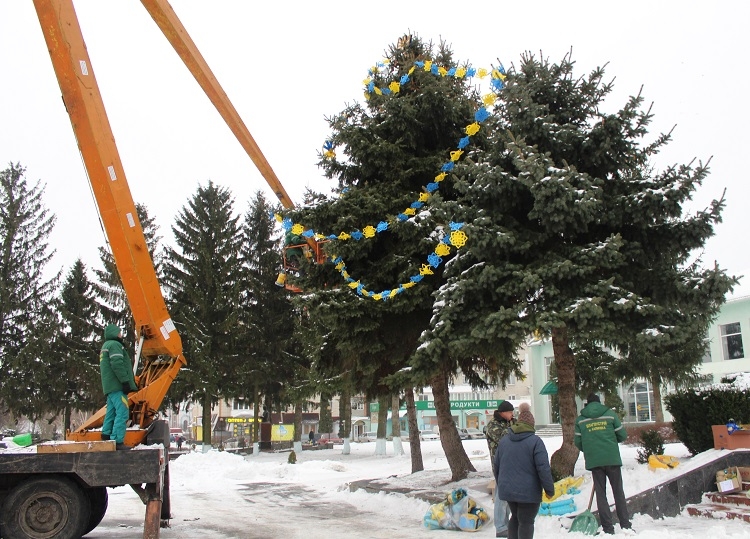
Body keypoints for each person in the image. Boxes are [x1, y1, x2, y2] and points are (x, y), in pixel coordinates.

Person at [494, 403, 554, 539]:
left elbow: (496, 466)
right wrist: (549, 490)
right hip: (528, 492)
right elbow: (543, 468)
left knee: (515, 517)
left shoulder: (504, 441)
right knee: (526, 522)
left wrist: (503, 485)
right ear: (532, 426)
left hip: (509, 490)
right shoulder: (535, 442)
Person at [574, 393, 632, 535]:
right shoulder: (610, 415)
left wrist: (590, 449)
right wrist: (610, 442)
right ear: (599, 403)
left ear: (587, 404)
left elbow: (578, 442)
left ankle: (608, 528)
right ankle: (625, 525)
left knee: (601, 494)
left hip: (595, 461)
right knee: (618, 492)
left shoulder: (581, 420)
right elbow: (622, 435)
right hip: (612, 459)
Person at [99, 324, 137, 450]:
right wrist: (125, 381)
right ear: (114, 333)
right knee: (122, 412)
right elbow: (117, 364)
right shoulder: (115, 345)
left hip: (109, 387)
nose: (121, 335)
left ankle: (106, 435)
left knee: (111, 412)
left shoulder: (106, 346)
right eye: (119, 332)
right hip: (117, 386)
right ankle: (116, 441)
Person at [485, 400, 515, 537]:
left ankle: (506, 524)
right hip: (500, 465)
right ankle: (500, 526)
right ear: (503, 413)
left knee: (508, 495)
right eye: (510, 412)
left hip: (512, 463)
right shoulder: (493, 425)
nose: (512, 414)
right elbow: (507, 438)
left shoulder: (511, 422)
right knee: (501, 496)